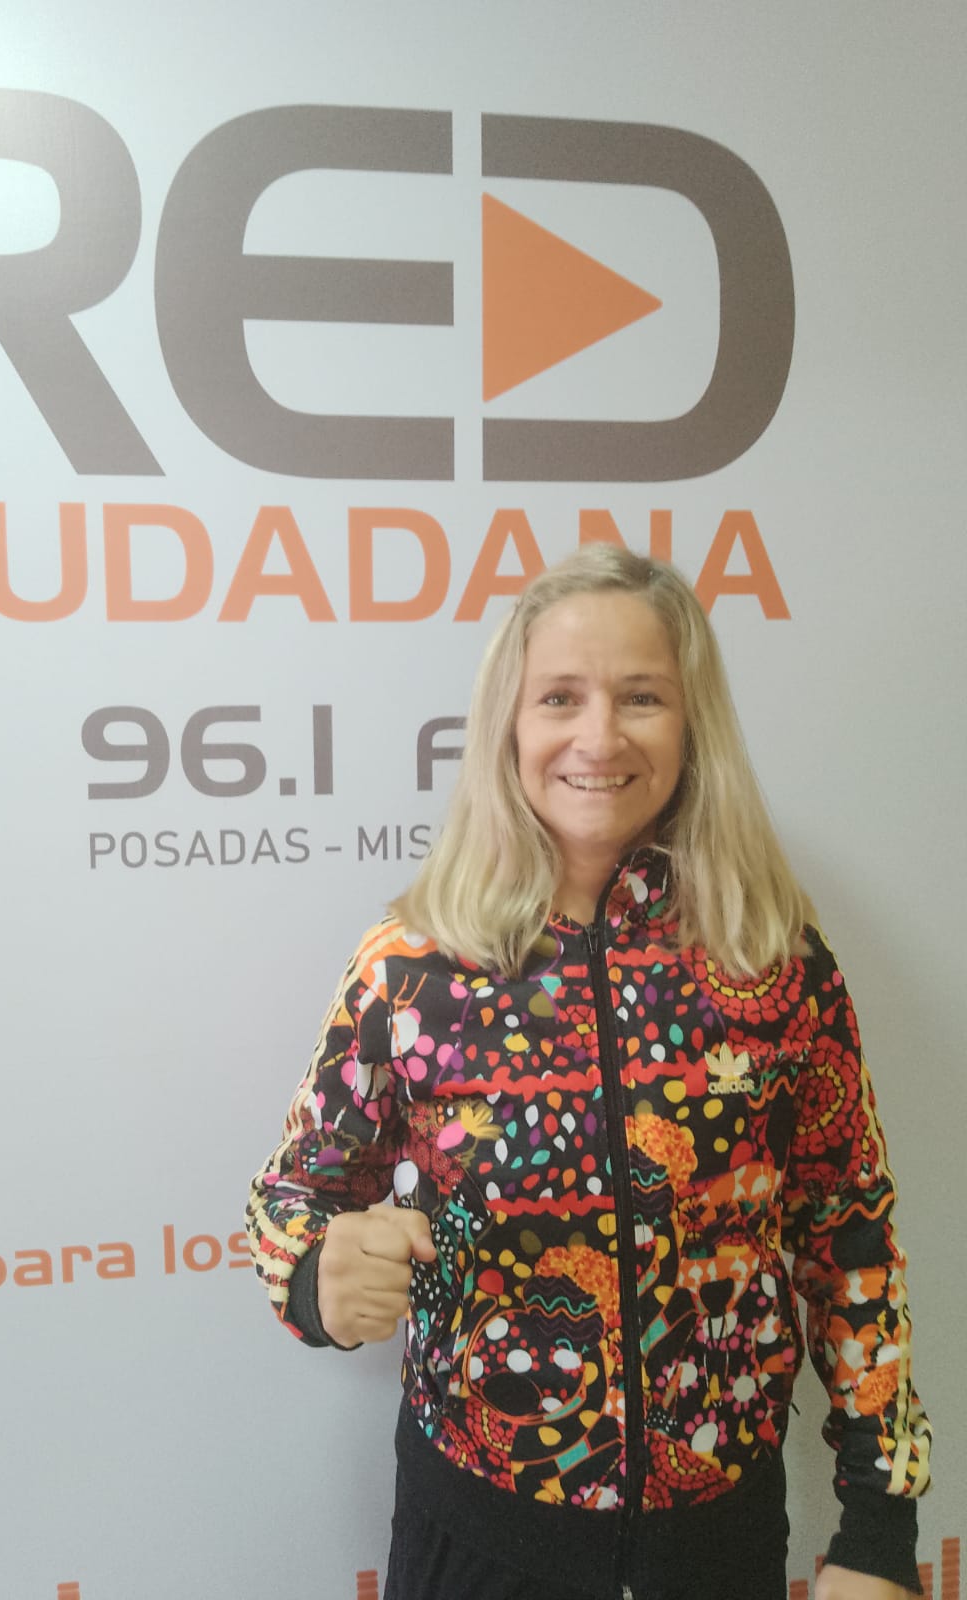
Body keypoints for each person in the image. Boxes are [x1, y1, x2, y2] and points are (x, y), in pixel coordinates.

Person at [246, 548, 931, 1600]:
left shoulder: (774, 961)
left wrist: (880, 1529)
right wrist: (311, 1276)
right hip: (478, 1532)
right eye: (560, 697)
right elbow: (294, 1193)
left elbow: (850, 1237)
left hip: (720, 1541)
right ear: (509, 728)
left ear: (693, 725)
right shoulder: (412, 966)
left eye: (641, 696)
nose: (599, 738)